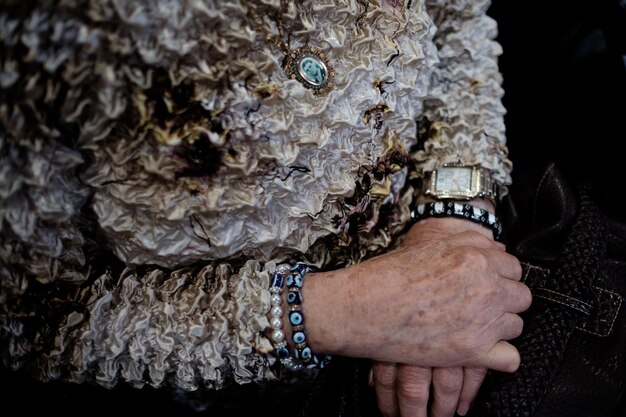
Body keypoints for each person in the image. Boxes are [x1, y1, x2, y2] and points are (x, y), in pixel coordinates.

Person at [0, 0, 531, 416]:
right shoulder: (36, 33)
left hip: (463, 274)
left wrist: (455, 219)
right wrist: (338, 312)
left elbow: (457, 22)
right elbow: (32, 322)